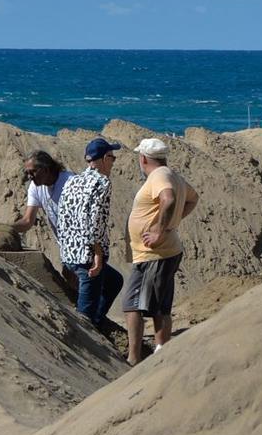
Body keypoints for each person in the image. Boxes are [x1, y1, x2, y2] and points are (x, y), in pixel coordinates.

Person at [122, 136, 198, 364]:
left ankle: (134, 358)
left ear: (143, 158)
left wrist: (159, 230)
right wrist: (171, 225)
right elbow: (192, 200)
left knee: (131, 304)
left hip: (153, 254)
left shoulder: (159, 176)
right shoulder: (171, 174)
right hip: (166, 250)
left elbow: (169, 199)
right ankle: (162, 351)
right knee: (160, 305)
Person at [55, 136, 124, 332]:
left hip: (70, 253)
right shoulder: (102, 183)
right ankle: (91, 334)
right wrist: (98, 255)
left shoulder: (72, 181)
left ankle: (98, 323)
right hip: (88, 257)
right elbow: (95, 220)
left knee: (114, 281)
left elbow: (64, 216)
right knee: (84, 321)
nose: (113, 162)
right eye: (112, 157)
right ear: (103, 159)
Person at [16, 150, 69, 238]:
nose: (30, 176)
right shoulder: (35, 187)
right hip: (65, 245)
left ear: (46, 169)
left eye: (33, 172)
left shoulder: (69, 182)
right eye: (27, 173)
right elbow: (28, 220)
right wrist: (7, 228)